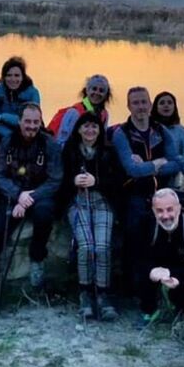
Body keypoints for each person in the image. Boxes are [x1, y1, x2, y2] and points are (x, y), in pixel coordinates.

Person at [0, 103, 62, 319]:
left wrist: (30, 197)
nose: (32, 126)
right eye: (27, 121)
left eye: (36, 122)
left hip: (40, 195)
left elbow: (55, 179)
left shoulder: (50, 144)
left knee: (44, 215)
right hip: (12, 195)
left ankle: (37, 258)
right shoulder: (7, 142)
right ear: (19, 121)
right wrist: (18, 195)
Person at [111, 86, 181, 296]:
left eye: (144, 102)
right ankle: (130, 288)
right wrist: (157, 163)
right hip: (132, 194)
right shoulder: (121, 134)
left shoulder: (161, 131)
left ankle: (163, 287)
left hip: (161, 195)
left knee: (166, 236)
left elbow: (177, 163)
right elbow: (130, 169)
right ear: (128, 106)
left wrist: (148, 165)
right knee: (134, 235)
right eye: (136, 103)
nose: (140, 107)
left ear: (150, 105)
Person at [60, 111, 121, 321]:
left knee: (103, 247)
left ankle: (103, 294)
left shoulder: (109, 152)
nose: (90, 130)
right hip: (77, 203)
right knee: (86, 246)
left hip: (102, 202)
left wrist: (97, 182)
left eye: (94, 126)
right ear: (78, 129)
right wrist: (73, 181)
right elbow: (59, 180)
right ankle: (85, 293)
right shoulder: (69, 151)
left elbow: (118, 182)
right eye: (85, 126)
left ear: (100, 130)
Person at [137, 188, 184, 328]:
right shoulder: (145, 225)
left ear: (179, 208)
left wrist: (178, 278)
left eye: (170, 209)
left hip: (182, 272)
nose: (165, 216)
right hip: (156, 270)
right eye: (159, 210)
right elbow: (135, 257)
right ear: (153, 210)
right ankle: (148, 309)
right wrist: (150, 271)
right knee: (141, 278)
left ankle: (177, 305)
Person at [0, 56, 41, 144]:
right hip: (0, 135)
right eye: (9, 75)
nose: (13, 79)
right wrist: (12, 136)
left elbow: (32, 120)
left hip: (27, 134)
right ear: (3, 77)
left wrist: (3, 117)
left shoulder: (33, 93)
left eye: (17, 75)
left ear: (23, 77)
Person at [47, 74, 112, 146]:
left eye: (101, 90)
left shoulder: (105, 115)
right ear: (87, 90)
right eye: (94, 89)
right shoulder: (74, 112)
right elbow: (61, 141)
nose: (97, 93)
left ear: (106, 95)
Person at [151, 91, 184, 160]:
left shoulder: (182, 131)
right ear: (156, 107)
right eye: (162, 103)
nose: (166, 105)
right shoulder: (149, 129)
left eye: (170, 103)